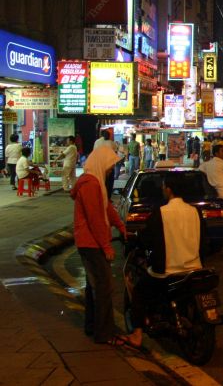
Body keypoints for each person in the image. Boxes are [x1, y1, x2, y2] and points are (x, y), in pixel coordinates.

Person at [124, 173, 206, 349]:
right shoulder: (195, 212)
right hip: (194, 269)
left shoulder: (161, 213)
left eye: (163, 186)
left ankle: (137, 334)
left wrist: (136, 239)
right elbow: (204, 241)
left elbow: (147, 238)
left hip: (168, 271)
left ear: (168, 189)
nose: (162, 189)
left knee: (138, 290)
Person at [70, 146, 127, 345]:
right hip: (90, 243)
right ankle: (105, 333)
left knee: (94, 286)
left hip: (90, 242)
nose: (111, 170)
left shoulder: (96, 183)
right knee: (104, 287)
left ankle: (92, 326)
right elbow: (95, 217)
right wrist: (107, 246)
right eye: (110, 166)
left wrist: (120, 226)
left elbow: (106, 208)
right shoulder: (90, 184)